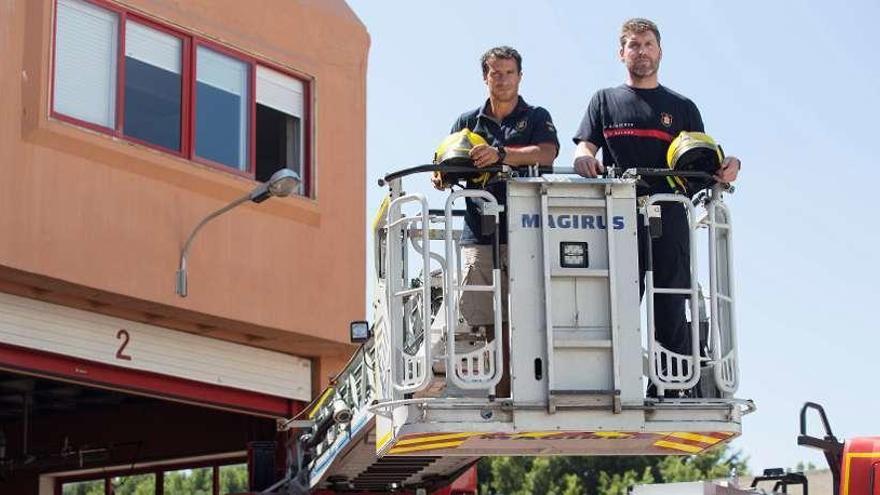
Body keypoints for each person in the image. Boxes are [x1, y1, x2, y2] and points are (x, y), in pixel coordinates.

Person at [572, 19, 741, 394]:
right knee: (619, 300)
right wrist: (583, 156)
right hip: (617, 216)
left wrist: (732, 165)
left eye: (648, 44)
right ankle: (616, 382)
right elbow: (585, 146)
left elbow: (707, 160)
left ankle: (671, 384)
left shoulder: (682, 107)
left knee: (671, 298)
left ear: (659, 51)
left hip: (670, 213)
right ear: (622, 53)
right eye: (634, 45)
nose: (642, 51)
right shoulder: (604, 100)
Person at [433, 46, 558, 393]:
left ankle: (525, 390)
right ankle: (501, 391)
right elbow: (448, 158)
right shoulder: (466, 122)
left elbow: (547, 152)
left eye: (508, 72)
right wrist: (442, 175)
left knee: (525, 313)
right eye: (495, 72)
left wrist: (500, 154)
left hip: (525, 229)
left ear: (520, 76)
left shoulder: (535, 116)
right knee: (487, 317)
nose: (501, 79)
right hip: (478, 231)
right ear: (484, 77)